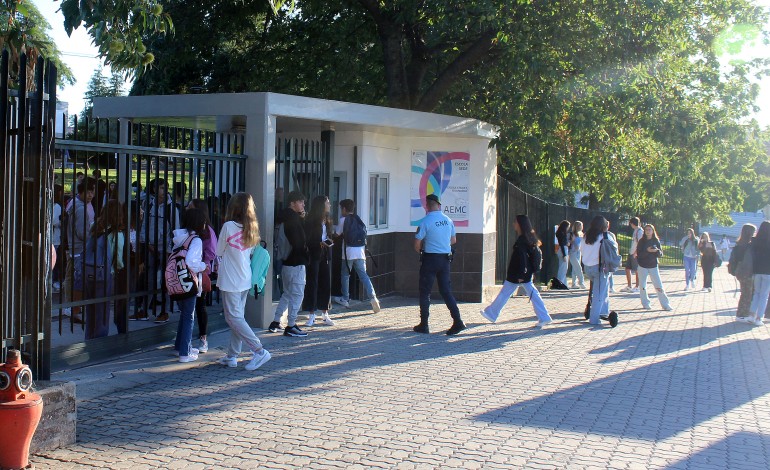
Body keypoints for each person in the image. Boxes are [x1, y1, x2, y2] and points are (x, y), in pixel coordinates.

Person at [215, 192, 272, 370]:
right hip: (245, 278)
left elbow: (219, 251)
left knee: (233, 318)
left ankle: (259, 350)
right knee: (237, 317)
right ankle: (232, 355)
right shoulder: (252, 227)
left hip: (230, 279)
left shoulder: (228, 226)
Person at [480, 215, 552, 328]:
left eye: (515, 222)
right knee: (526, 293)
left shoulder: (522, 240)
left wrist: (521, 274)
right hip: (522, 273)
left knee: (515, 293)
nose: (513, 224)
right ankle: (491, 313)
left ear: (519, 224)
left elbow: (522, 258)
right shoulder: (529, 238)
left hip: (519, 273)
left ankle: (544, 317)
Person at [412, 194, 466, 335]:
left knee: (425, 292)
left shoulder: (425, 221)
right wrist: (442, 245)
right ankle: (458, 321)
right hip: (444, 260)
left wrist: (422, 251)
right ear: (439, 205)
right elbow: (453, 240)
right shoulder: (448, 220)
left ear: (427, 206)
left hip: (430, 259)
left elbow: (417, 244)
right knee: (446, 291)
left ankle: (424, 324)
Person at [130, 178, 180, 322]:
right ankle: (144, 310)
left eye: (165, 188)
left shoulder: (171, 208)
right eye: (160, 188)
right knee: (148, 279)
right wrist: (146, 242)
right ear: (154, 189)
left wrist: (170, 249)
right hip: (151, 246)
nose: (163, 191)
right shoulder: (148, 203)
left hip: (166, 248)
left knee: (165, 280)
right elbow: (144, 223)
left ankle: (164, 312)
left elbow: (175, 230)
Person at [268, 190, 310, 337]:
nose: (303, 204)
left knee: (287, 293)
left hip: (285, 261)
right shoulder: (293, 220)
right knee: (297, 294)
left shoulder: (283, 217)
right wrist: (305, 253)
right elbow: (298, 242)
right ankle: (291, 325)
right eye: (300, 201)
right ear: (292, 203)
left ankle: (276, 320)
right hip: (296, 261)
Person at [171, 207, 208, 363]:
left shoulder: (179, 237)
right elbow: (191, 262)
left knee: (184, 314)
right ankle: (184, 353)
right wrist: (204, 266)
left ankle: (180, 347)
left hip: (177, 282)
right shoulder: (196, 240)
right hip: (189, 282)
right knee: (189, 316)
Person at [84, 200, 125, 339]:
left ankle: (89, 337)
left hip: (90, 271)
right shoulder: (117, 234)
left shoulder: (94, 227)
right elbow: (118, 259)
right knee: (102, 311)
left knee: (90, 308)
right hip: (106, 274)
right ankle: (100, 340)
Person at [331, 199, 381, 313]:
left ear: (344, 209)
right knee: (364, 276)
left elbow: (336, 234)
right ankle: (373, 297)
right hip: (360, 252)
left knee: (345, 275)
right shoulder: (358, 219)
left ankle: (345, 298)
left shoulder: (343, 220)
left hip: (348, 252)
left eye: (340, 209)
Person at [65, 176, 97, 325]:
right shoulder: (81, 208)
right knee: (78, 281)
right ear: (81, 192)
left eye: (92, 192)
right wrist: (94, 231)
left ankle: (71, 307)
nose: (91, 195)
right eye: (88, 192)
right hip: (80, 248)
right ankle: (74, 310)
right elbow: (82, 232)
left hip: (74, 247)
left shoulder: (74, 203)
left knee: (72, 279)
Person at [187, 199, 218, 352]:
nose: (187, 208)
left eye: (190, 207)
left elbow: (211, 252)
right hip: (189, 272)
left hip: (200, 273)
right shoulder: (189, 228)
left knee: (200, 305)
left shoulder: (208, 231)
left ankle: (203, 338)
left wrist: (203, 266)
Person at [303, 195, 335, 327]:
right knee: (312, 282)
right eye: (327, 203)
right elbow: (307, 239)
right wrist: (319, 243)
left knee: (325, 282)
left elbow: (329, 234)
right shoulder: (311, 220)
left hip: (325, 254)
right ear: (321, 205)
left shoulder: (327, 219)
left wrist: (329, 241)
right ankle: (311, 314)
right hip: (314, 254)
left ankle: (325, 313)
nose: (329, 205)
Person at [582, 215, 619, 327]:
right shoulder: (605, 236)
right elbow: (614, 249)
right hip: (600, 268)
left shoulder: (586, 236)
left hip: (588, 267)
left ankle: (603, 311)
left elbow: (582, 250)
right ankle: (594, 319)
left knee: (602, 290)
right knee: (599, 294)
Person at [636, 224, 673, 311]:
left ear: (653, 231)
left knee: (659, 285)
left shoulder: (656, 241)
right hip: (642, 266)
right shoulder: (641, 241)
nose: (648, 231)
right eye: (646, 230)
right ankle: (645, 303)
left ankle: (665, 304)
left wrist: (656, 251)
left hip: (653, 265)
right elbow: (639, 254)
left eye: (650, 230)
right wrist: (647, 251)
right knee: (643, 286)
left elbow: (660, 254)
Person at [729, 224, 756, 322]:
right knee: (748, 293)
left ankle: (742, 314)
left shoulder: (738, 245)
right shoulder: (749, 245)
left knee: (745, 292)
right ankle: (742, 314)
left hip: (739, 271)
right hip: (747, 271)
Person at [748, 221, 770, 327]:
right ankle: (759, 318)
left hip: (756, 271)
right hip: (768, 272)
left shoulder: (755, 241)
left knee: (756, 293)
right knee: (764, 295)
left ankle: (751, 315)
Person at [621, 217, 642, 293]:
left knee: (637, 270)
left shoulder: (639, 231)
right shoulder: (636, 230)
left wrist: (636, 252)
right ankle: (629, 286)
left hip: (635, 253)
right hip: (631, 252)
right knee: (627, 268)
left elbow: (640, 243)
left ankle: (637, 286)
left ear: (632, 223)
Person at [52, 184, 64, 292]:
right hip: (55, 236)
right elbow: (55, 221)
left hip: (53, 236)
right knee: (53, 259)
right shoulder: (57, 207)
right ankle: (53, 280)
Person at [569, 221, 586, 289]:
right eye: (579, 225)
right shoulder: (573, 234)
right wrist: (573, 241)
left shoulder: (581, 233)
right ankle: (581, 282)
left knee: (575, 268)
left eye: (581, 225)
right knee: (578, 268)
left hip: (579, 252)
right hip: (573, 252)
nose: (581, 227)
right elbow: (570, 242)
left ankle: (574, 283)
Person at [555, 220, 571, 286]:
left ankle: (563, 283)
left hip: (562, 249)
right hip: (563, 250)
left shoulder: (559, 232)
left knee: (562, 267)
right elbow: (562, 244)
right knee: (563, 268)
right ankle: (560, 282)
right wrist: (564, 255)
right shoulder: (562, 233)